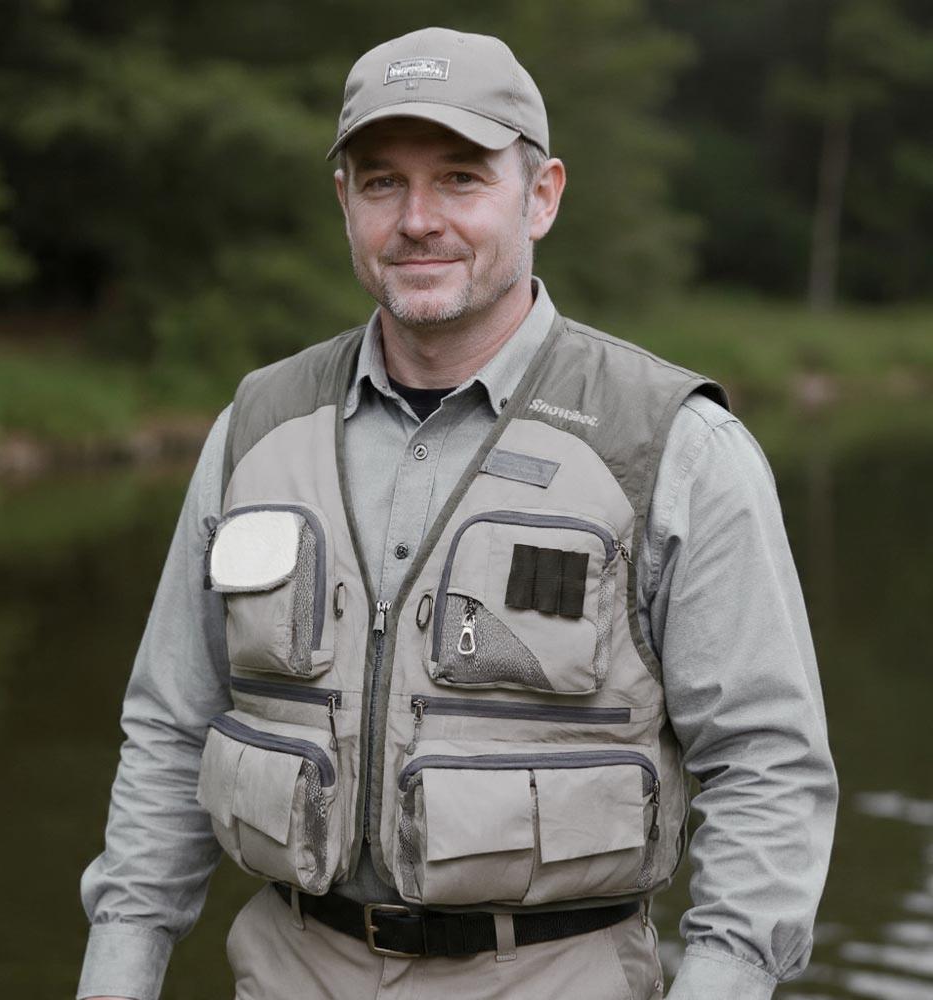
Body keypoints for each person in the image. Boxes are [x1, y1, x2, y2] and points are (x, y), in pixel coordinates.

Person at [78, 27, 837, 1000]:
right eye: (382, 182)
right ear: (345, 201)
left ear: (542, 196)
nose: (417, 219)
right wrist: (117, 974)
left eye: (460, 179)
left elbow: (766, 769)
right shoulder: (253, 430)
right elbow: (171, 727)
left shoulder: (674, 448)